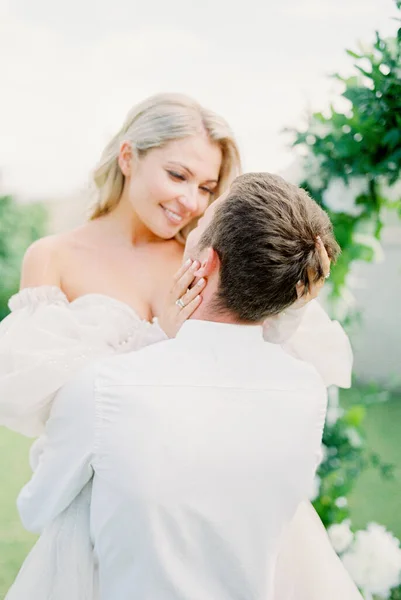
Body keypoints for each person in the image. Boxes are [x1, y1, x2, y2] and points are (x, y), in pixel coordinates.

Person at [0, 95, 353, 599]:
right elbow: (39, 397)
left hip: (196, 498)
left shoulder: (212, 257)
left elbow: (259, 360)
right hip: (100, 504)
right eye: (178, 175)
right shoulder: (54, 256)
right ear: (128, 158)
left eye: (208, 186)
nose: (191, 200)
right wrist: (158, 344)